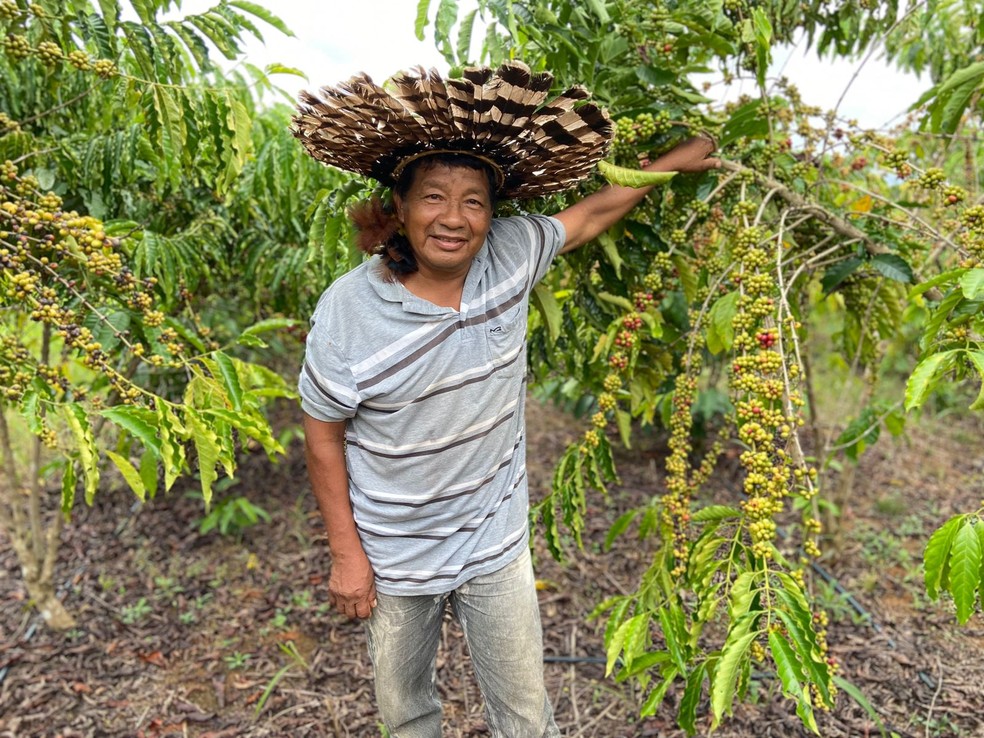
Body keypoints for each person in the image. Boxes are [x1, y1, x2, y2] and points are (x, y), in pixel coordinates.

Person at [292, 61, 719, 738]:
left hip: (494, 540)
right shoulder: (350, 310)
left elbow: (590, 216)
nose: (454, 219)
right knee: (407, 714)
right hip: (396, 551)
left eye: (474, 201)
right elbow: (322, 432)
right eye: (433, 197)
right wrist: (347, 553)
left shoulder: (512, 255)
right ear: (397, 207)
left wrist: (672, 162)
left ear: (494, 214)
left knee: (525, 716)